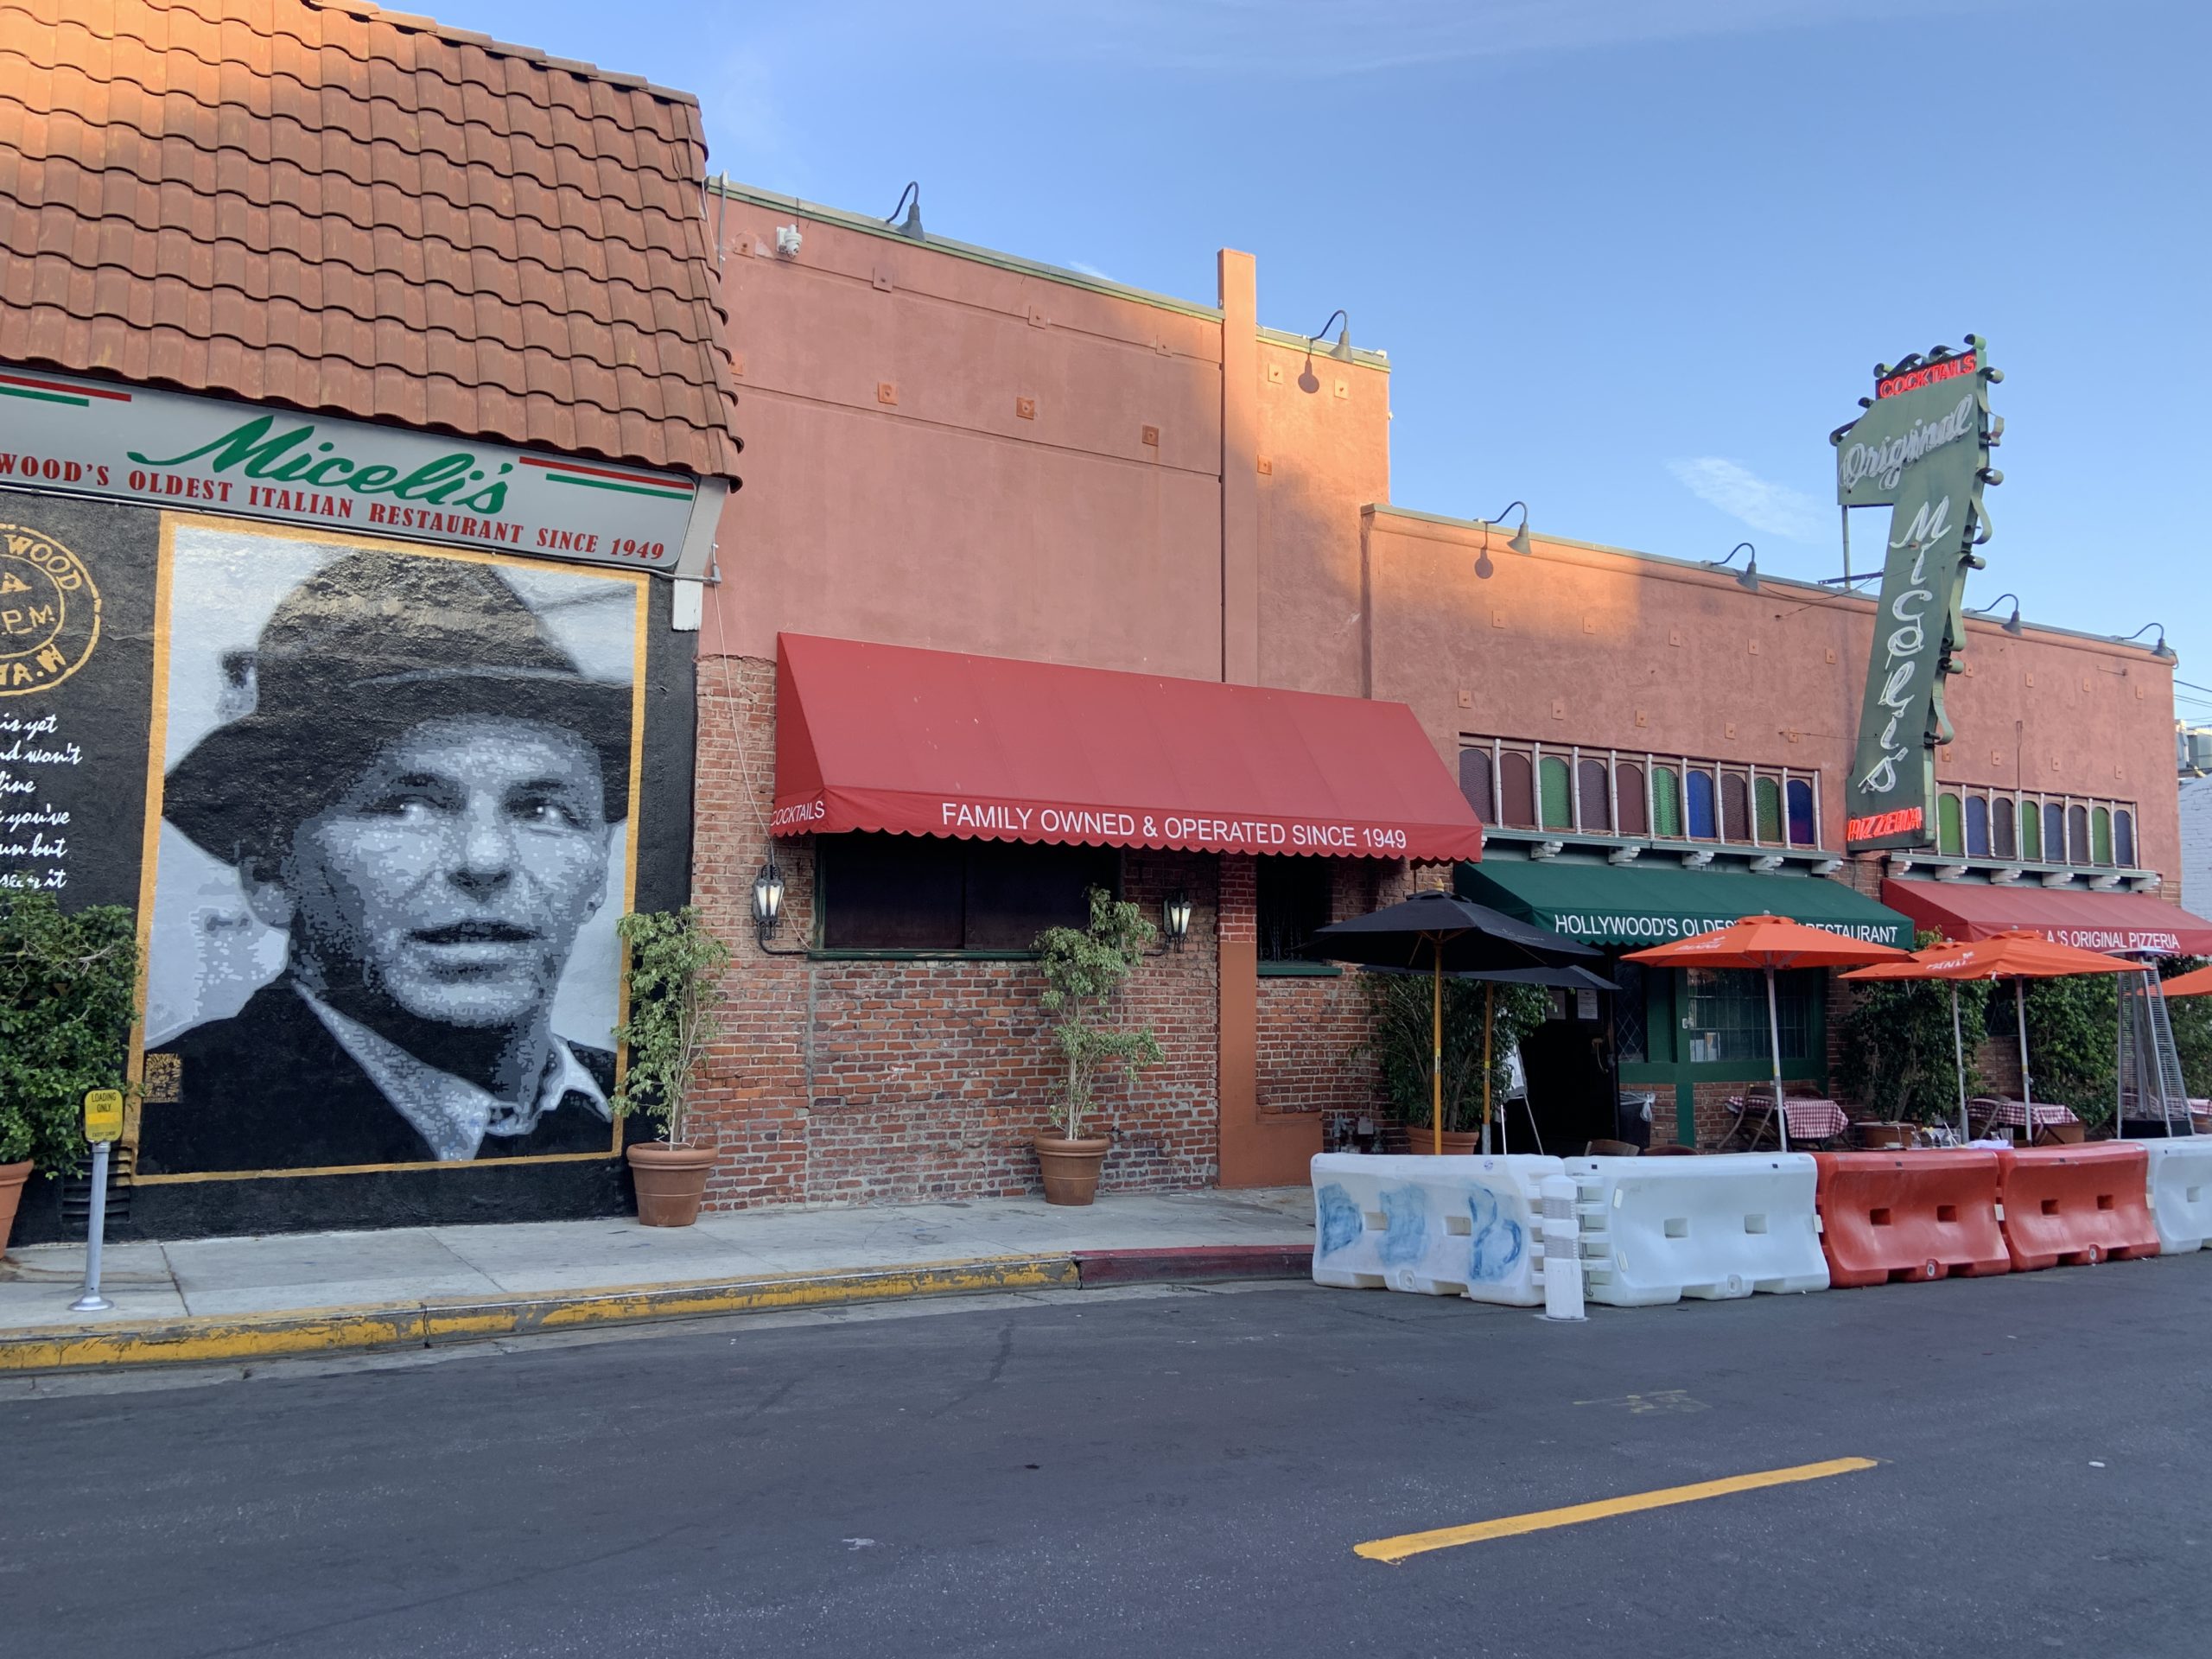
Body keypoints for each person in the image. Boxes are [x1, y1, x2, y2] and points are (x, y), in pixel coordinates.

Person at [139, 550, 633, 1173]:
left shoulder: (635, 1103)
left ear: (599, 870)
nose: (485, 860)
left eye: (544, 812)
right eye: (404, 806)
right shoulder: (178, 1127)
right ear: (269, 872)